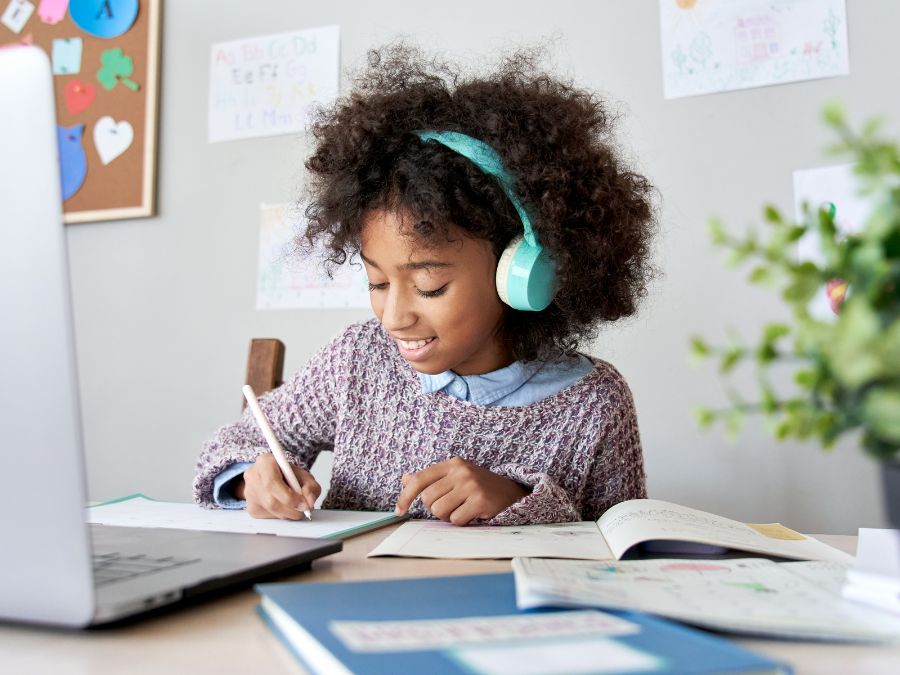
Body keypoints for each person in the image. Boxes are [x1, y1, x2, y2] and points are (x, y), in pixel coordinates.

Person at [193, 45, 657, 526]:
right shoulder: (358, 361)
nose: (394, 317)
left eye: (430, 286)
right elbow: (236, 442)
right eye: (376, 282)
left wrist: (519, 502)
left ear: (521, 271)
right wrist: (255, 476)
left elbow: (623, 547)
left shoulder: (593, 404)